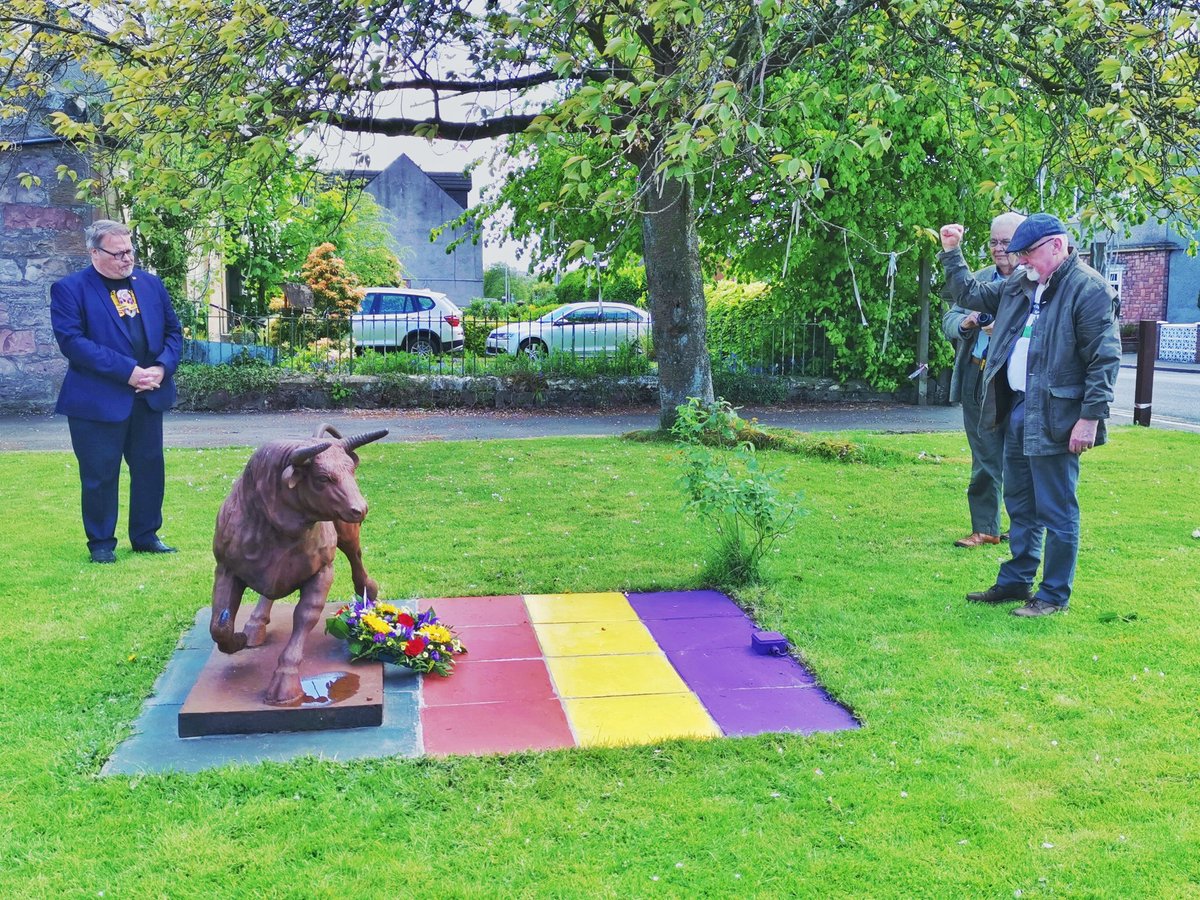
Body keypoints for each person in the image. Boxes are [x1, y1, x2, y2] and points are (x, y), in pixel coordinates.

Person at [938, 213, 1121, 617]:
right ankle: (1017, 580)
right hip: (1019, 408)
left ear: (1057, 245)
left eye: (1028, 254)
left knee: (1056, 508)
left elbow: (1104, 360)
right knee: (1020, 502)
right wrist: (953, 252)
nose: (1020, 262)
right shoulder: (1022, 282)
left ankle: (1054, 594)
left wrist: (1089, 418)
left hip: (1059, 415)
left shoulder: (1089, 290)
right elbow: (971, 293)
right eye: (1016, 254)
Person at [50, 219, 183, 564]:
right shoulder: (70, 289)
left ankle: (146, 536)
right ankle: (101, 545)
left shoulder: (150, 285)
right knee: (99, 474)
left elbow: (173, 332)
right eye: (119, 253)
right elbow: (73, 343)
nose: (127, 259)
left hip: (148, 393)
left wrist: (161, 367)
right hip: (96, 400)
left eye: (130, 251)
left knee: (150, 469)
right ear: (95, 252)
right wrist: (128, 372)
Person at [942, 212, 1025, 548]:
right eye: (993, 241)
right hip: (978, 374)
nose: (998, 248)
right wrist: (970, 322)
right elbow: (950, 316)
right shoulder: (976, 281)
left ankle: (1022, 528)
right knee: (984, 454)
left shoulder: (1036, 281)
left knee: (1020, 456)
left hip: (1016, 378)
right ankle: (986, 528)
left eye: (1006, 242)